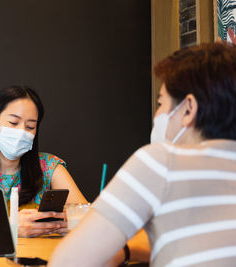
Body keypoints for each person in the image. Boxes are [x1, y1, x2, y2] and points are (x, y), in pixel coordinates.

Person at [49, 42, 236, 267]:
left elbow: (67, 262)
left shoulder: (162, 162)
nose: (157, 113)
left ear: (188, 109)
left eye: (161, 102)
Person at [0, 85, 87, 238]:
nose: (22, 132)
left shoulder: (49, 166)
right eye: (14, 123)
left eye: (30, 126)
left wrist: (65, 222)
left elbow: (88, 217)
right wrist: (11, 226)